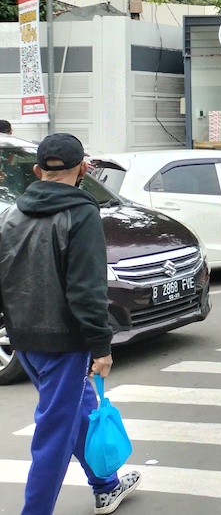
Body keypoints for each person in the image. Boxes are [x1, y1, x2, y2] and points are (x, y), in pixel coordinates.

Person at [0, 133, 142, 515]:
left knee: (80, 409)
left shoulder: (11, 215)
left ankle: (106, 485)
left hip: (24, 340)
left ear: (37, 171)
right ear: (83, 169)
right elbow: (86, 289)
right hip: (64, 342)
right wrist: (101, 346)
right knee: (54, 435)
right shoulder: (81, 214)